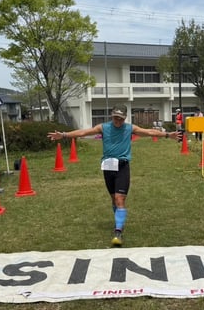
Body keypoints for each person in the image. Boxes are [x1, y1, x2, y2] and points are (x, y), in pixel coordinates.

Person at [48, 104, 180, 246]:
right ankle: (119, 220)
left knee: (119, 199)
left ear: (125, 118)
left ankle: (118, 231)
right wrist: (63, 135)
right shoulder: (103, 128)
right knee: (113, 199)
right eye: (116, 118)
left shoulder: (130, 128)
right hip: (108, 167)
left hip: (123, 166)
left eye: (121, 119)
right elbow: (84, 133)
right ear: (112, 116)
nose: (118, 121)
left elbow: (149, 132)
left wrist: (167, 135)